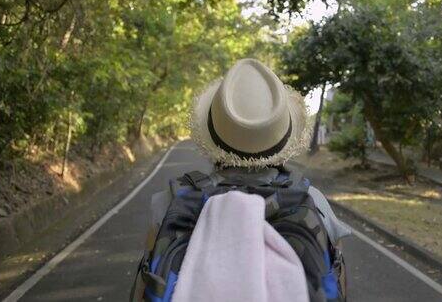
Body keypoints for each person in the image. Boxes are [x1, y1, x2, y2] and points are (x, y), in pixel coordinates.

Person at [132, 58, 351, 302]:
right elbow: (336, 285)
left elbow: (146, 286)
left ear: (213, 135)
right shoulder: (314, 202)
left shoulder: (168, 203)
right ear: (283, 132)